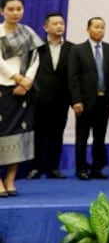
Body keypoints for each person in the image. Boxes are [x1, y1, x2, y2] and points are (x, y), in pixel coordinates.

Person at [0, 0, 43, 196]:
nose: (15, 13)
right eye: (11, 9)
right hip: (3, 88)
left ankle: (10, 180)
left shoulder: (28, 33)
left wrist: (27, 82)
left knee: (18, 135)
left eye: (19, 9)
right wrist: (16, 77)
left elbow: (35, 59)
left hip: (23, 91)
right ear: (2, 11)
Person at [68, 17, 109, 180]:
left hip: (104, 99)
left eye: (102, 27)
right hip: (85, 101)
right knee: (82, 136)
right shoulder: (77, 50)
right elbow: (72, 78)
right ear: (88, 29)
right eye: (96, 27)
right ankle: (81, 168)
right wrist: (76, 100)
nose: (99, 30)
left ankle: (97, 168)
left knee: (100, 136)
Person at [29, 12, 73, 180]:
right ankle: (36, 167)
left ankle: (53, 168)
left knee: (57, 134)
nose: (59, 26)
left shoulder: (72, 48)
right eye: (55, 23)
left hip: (62, 99)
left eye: (61, 23)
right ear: (46, 27)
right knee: (38, 134)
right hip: (39, 98)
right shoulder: (37, 48)